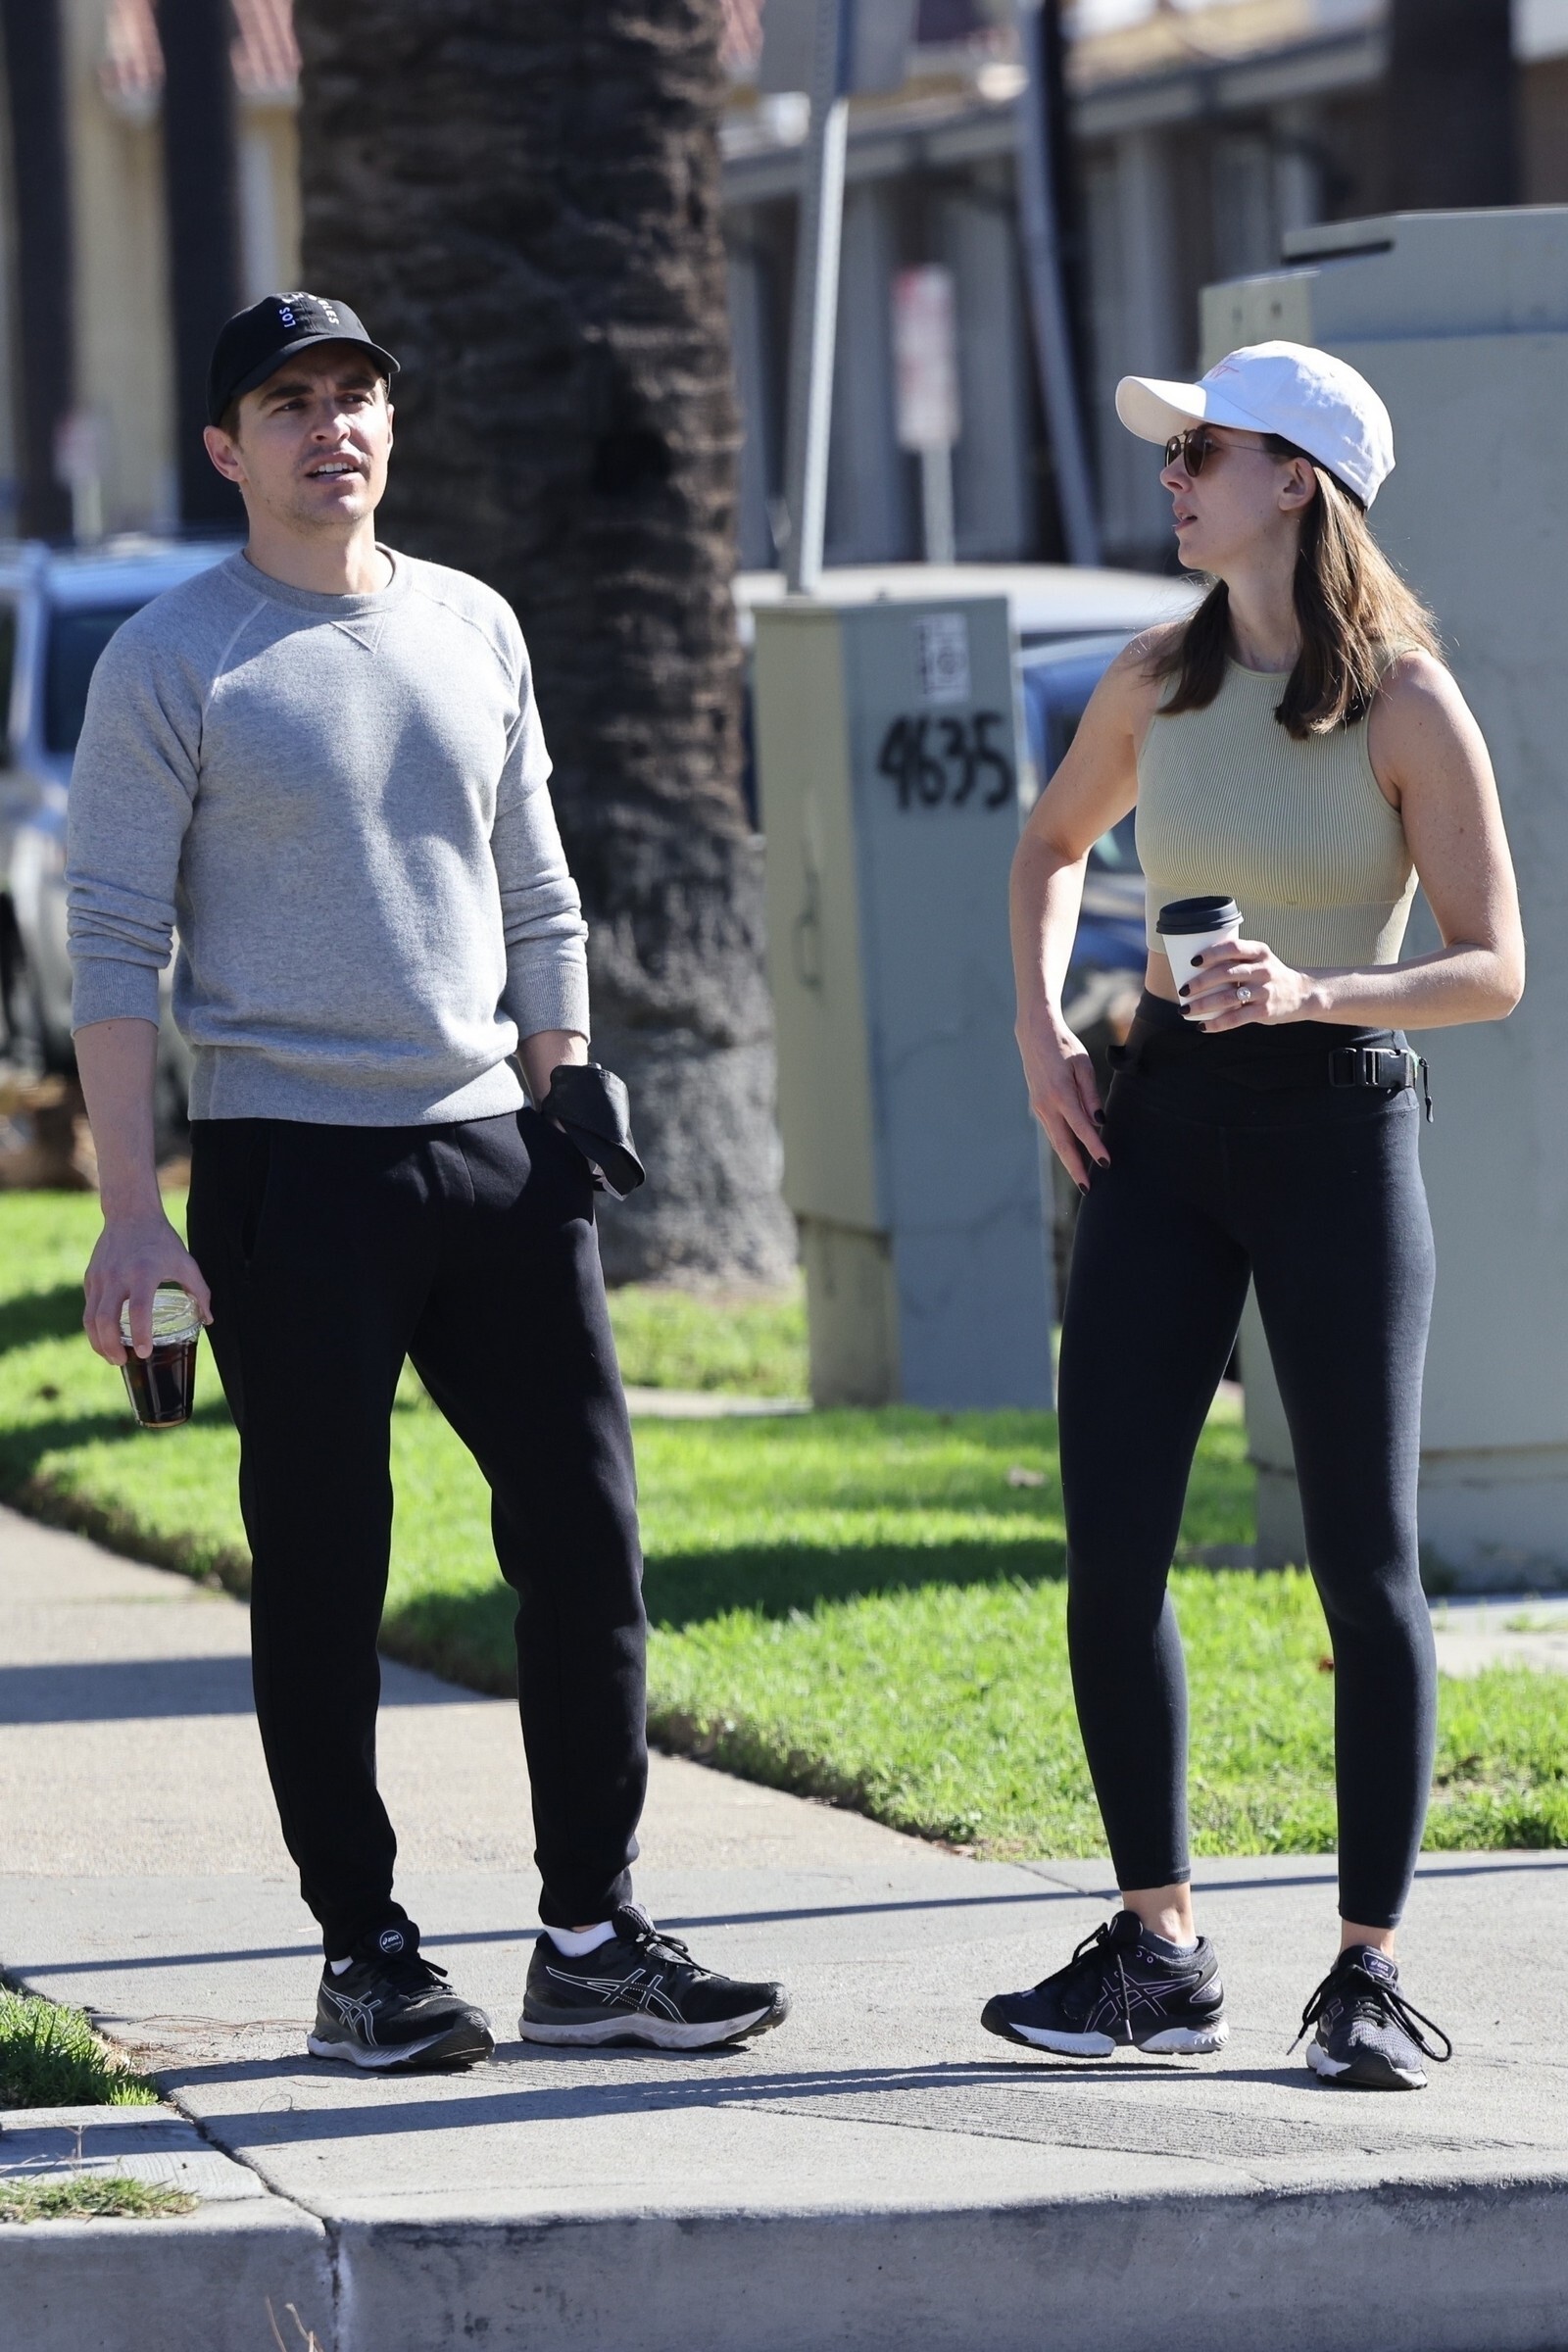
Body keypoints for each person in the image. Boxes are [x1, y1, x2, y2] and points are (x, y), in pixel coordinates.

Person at [66, 291, 788, 2072]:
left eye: (358, 396)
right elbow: (113, 949)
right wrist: (133, 1215)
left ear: (391, 426)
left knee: (589, 1542)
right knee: (326, 1569)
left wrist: (566, 1083)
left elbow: (539, 890)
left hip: (496, 1151)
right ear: (227, 447)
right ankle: (364, 1950)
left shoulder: (475, 622)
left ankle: (591, 1937)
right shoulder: (173, 656)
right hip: (288, 1170)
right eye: (290, 403)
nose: (334, 426)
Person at [985, 341, 1523, 2090]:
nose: (1172, 476)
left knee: (1364, 1563)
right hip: (1159, 1127)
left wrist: (1311, 994)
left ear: (1297, 481)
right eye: (1174, 451)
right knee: (1112, 1546)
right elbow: (1051, 846)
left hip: (1338, 1127)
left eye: (1200, 450)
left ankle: (1368, 1971)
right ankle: (1159, 1949)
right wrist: (1044, 1033)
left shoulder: (1409, 706)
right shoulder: (1153, 678)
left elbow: (1494, 966)